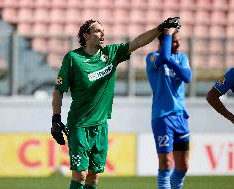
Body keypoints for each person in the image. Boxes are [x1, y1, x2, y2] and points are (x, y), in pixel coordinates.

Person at [51, 18, 181, 189]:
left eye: (103, 30)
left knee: (93, 176)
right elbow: (58, 90)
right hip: (79, 125)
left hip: (101, 124)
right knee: (80, 174)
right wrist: (56, 118)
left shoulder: (111, 53)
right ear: (86, 35)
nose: (102, 33)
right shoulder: (73, 58)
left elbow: (137, 42)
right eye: (97, 31)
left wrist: (160, 28)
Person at [145, 26, 192, 189]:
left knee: (183, 166)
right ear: (165, 41)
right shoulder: (152, 58)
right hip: (162, 117)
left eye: (178, 41)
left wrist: (171, 55)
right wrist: (168, 34)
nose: (178, 45)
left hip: (180, 117)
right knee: (166, 163)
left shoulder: (182, 58)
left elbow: (187, 77)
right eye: (174, 41)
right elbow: (163, 57)